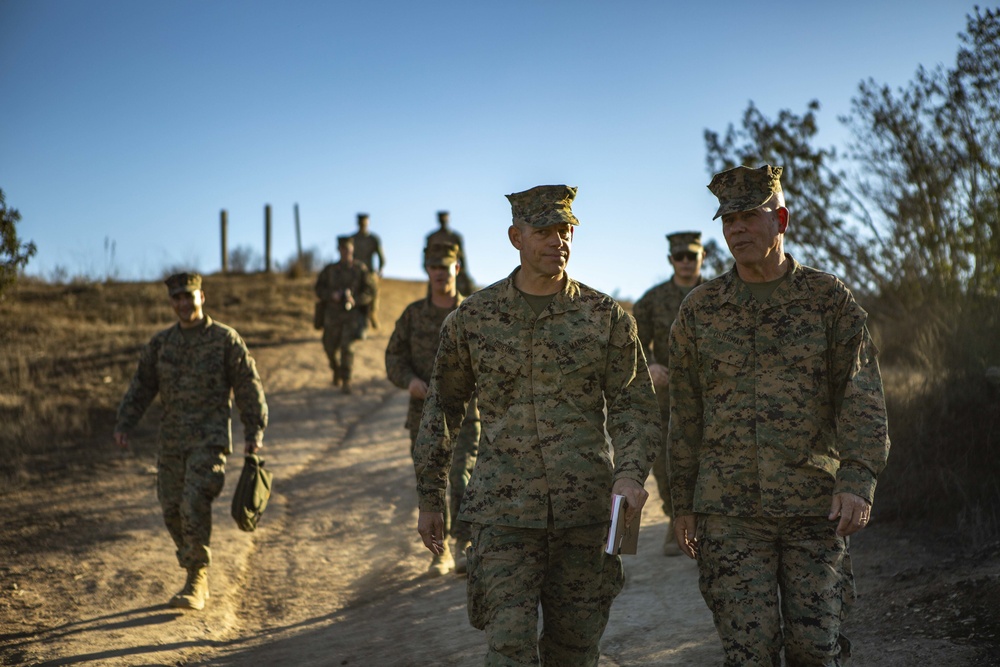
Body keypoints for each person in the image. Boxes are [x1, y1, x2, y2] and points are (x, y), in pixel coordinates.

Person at [412, 185, 660, 665]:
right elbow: (443, 409)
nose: (557, 241)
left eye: (564, 230)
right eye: (543, 231)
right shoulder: (474, 319)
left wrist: (629, 474)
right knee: (509, 647)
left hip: (585, 514)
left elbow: (633, 403)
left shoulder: (604, 317)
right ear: (515, 236)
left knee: (575, 649)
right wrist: (430, 497)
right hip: (503, 514)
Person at [668, 165, 891, 666]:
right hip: (728, 514)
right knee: (750, 652)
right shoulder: (700, 310)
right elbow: (684, 414)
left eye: (749, 216)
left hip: (814, 507)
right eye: (728, 220)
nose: (736, 229)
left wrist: (857, 478)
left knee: (816, 649)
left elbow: (861, 394)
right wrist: (683, 502)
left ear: (781, 219)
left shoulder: (827, 300)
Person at [113, 272, 268, 611]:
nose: (183, 303)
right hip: (170, 442)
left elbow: (247, 386)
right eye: (177, 298)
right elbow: (142, 386)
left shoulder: (225, 339)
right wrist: (125, 422)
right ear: (172, 302)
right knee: (170, 508)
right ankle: (192, 566)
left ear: (202, 296)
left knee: (193, 502)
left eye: (189, 296)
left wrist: (253, 431)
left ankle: (196, 577)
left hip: (210, 441)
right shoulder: (161, 344)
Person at [385, 242, 481, 576]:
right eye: (434, 267)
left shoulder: (473, 311)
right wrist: (409, 380)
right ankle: (439, 553)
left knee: (462, 476)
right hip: (424, 417)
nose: (440, 273)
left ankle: (465, 545)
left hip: (467, 415)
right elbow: (393, 358)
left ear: (457, 268)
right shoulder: (413, 315)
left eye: (447, 266)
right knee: (431, 482)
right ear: (428, 271)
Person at [633, 231, 705, 557]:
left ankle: (708, 523)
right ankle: (676, 520)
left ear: (702, 256)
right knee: (665, 463)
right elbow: (633, 345)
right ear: (671, 260)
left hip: (712, 397)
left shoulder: (717, 293)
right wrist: (649, 366)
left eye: (692, 255)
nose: (687, 262)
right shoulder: (652, 300)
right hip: (667, 399)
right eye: (680, 257)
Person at [315, 235, 375, 394]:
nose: (345, 252)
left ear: (352, 249)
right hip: (332, 316)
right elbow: (318, 289)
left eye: (347, 249)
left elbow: (370, 291)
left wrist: (355, 300)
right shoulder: (330, 270)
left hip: (352, 316)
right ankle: (336, 370)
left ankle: (346, 380)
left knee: (347, 348)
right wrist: (331, 295)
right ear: (339, 250)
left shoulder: (360, 269)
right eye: (342, 249)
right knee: (329, 347)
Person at [426, 210, 475, 296]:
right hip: (435, 270)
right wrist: (431, 271)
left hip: (452, 270)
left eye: (445, 218)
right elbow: (426, 256)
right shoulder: (432, 237)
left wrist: (462, 271)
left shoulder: (455, 237)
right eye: (441, 218)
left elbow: (461, 256)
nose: (443, 220)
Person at [350, 213, 385, 330]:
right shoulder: (352, 239)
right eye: (361, 222)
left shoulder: (373, 239)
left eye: (364, 221)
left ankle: (373, 314)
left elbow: (381, 257)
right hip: (354, 273)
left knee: (374, 292)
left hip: (369, 273)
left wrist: (379, 270)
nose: (362, 224)